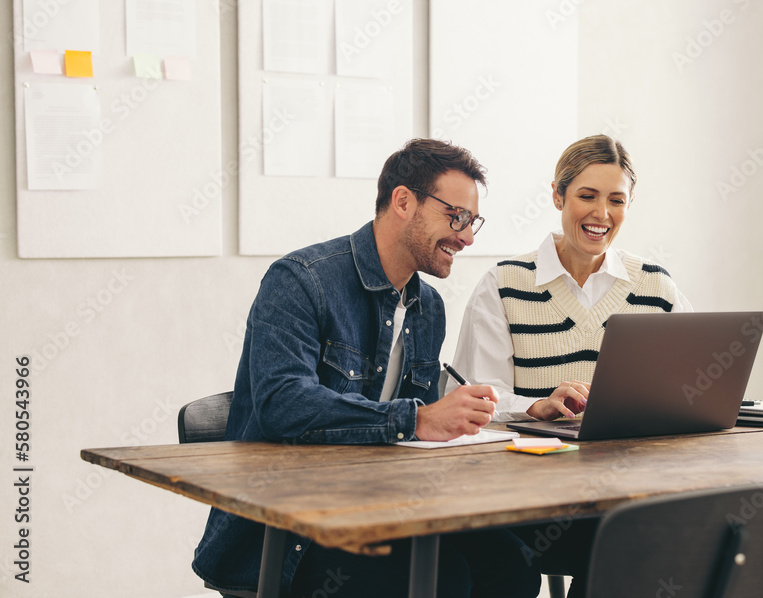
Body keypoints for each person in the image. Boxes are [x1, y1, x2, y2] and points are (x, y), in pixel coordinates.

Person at [192, 139, 541, 598]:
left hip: (382, 510)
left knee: (513, 567)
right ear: (403, 201)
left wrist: (521, 412)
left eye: (472, 222)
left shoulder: (427, 305)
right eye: (456, 217)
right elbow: (283, 405)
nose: (467, 237)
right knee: (445, 580)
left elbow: (424, 434)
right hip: (289, 531)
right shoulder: (300, 280)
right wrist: (415, 418)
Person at [447, 134, 693, 597]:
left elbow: (698, 383)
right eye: (587, 196)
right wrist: (536, 405)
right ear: (558, 196)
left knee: (692, 537)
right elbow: (476, 403)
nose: (602, 214)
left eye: (616, 200)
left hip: (631, 491)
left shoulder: (656, 287)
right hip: (532, 500)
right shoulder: (504, 286)